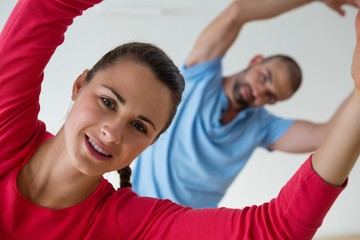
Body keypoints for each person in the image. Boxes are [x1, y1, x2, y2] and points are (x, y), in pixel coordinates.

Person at [1, 0, 360, 239]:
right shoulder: (202, 77)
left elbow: (278, 226)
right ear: (79, 85)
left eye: (140, 126)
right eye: (108, 101)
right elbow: (45, 7)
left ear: (151, 142)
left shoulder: (259, 127)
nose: (112, 132)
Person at [132, 0, 359, 208]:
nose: (261, 91)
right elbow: (238, 12)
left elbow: (326, 135)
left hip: (186, 227)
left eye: (270, 96)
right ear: (255, 61)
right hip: (138, 210)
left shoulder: (260, 126)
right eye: (265, 78)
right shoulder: (199, 78)